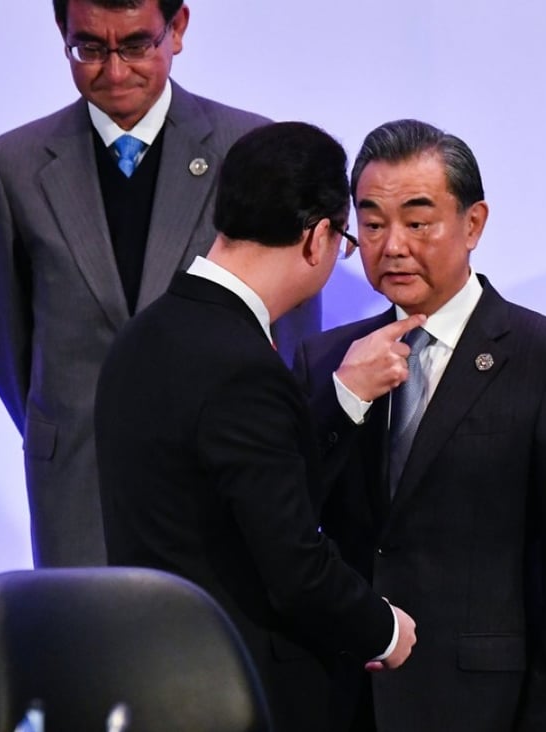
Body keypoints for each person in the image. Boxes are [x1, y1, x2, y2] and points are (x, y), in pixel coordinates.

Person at [0, 0, 320, 568]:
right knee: (84, 650)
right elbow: (4, 342)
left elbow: (293, 335)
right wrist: (63, 420)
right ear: (62, 33)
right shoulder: (13, 166)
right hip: (77, 482)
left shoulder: (249, 149)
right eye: (89, 48)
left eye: (135, 45)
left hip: (218, 479)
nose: (114, 70)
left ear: (176, 29)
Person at [294, 119, 546, 732]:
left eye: (418, 222)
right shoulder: (326, 360)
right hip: (347, 702)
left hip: (486, 707)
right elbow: (288, 518)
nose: (391, 246)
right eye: (371, 223)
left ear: (473, 224)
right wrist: (342, 400)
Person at [95, 122, 417, 732]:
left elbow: (230, 496)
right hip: (236, 688)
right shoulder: (242, 366)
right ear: (318, 237)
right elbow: (294, 567)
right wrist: (383, 629)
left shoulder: (142, 336)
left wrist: (342, 398)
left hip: (152, 676)